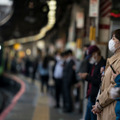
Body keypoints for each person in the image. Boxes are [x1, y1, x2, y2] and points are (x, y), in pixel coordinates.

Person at [92, 29, 120, 120]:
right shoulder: (113, 59)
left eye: (114, 38)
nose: (111, 41)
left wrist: (100, 104)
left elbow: (116, 87)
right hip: (107, 107)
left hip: (112, 109)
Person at [79, 45, 106, 120]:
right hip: (90, 96)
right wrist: (86, 76)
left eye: (91, 55)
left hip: (95, 98)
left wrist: (87, 77)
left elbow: (99, 81)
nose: (91, 58)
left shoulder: (103, 65)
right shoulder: (94, 64)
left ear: (96, 53)